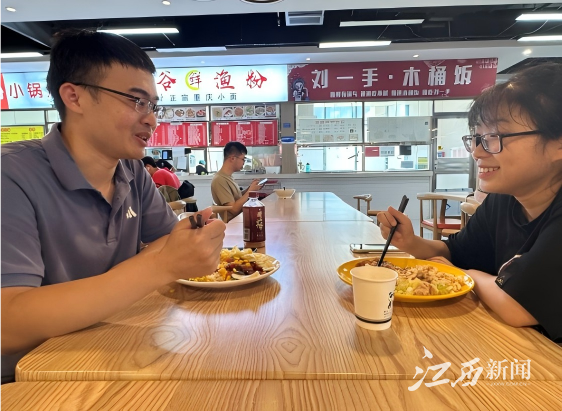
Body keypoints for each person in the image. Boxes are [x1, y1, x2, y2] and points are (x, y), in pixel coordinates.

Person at [0, 29, 226, 383]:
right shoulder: (11, 175)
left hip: (114, 354)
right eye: (136, 101)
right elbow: (7, 325)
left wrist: (186, 246)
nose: (151, 119)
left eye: (153, 106)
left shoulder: (131, 171)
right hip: (29, 380)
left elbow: (167, 242)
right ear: (74, 97)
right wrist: (161, 265)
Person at [378, 63, 562, 343]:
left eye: (494, 137)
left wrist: (465, 275)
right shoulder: (504, 199)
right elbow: (455, 252)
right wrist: (410, 242)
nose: (477, 152)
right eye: (477, 138)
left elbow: (518, 308)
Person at [211, 142, 264, 222]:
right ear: (232, 158)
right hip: (235, 223)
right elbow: (234, 209)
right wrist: (249, 191)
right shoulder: (219, 180)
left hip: (241, 219)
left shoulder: (228, 177)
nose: (244, 162)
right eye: (243, 159)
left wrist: (250, 188)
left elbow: (236, 198)